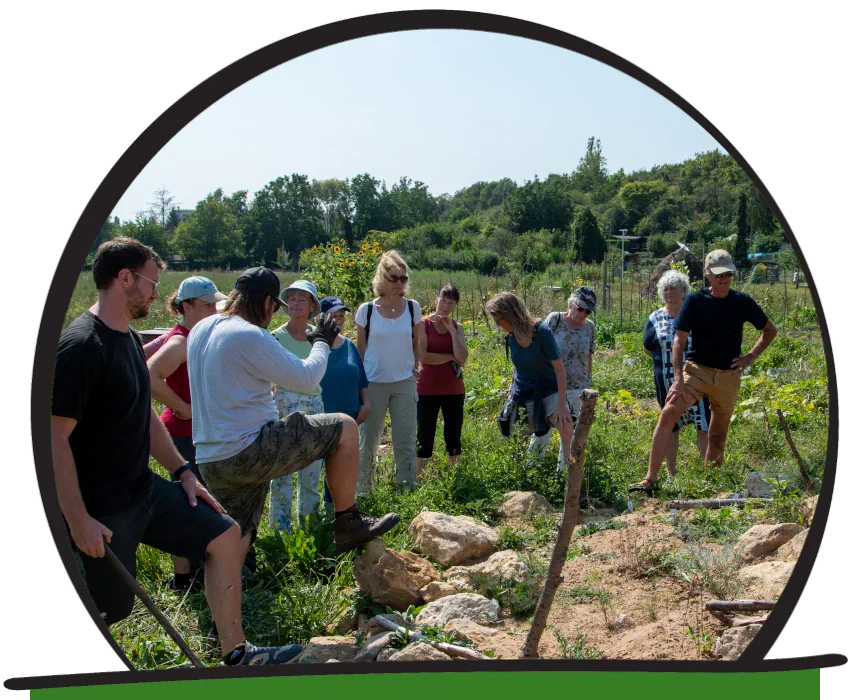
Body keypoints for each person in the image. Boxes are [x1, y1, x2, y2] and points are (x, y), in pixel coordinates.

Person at [52, 238, 303, 665]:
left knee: (223, 534)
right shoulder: (81, 347)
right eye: (151, 281)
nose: (156, 292)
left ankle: (238, 655)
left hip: (144, 490)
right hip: (101, 508)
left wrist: (183, 470)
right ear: (124, 278)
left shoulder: (128, 339)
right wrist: (78, 522)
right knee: (112, 608)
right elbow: (53, 438)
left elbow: (144, 416)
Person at [186, 266, 400, 571]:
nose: (273, 315)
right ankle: (348, 521)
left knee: (238, 534)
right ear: (266, 303)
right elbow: (307, 378)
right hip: (249, 449)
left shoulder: (201, 330)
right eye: (275, 308)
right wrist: (323, 341)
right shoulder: (250, 334)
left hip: (211, 458)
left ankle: (238, 582)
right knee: (345, 427)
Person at [630, 250, 778, 494]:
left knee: (718, 433)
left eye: (729, 273)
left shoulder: (742, 302)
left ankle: (711, 483)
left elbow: (769, 330)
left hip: (728, 376)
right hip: (697, 371)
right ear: (707, 273)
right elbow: (679, 339)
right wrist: (678, 379)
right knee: (668, 414)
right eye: (719, 274)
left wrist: (750, 356)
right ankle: (650, 479)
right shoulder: (696, 301)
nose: (725, 278)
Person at [147, 276, 226, 591]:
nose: (213, 309)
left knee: (196, 501)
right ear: (187, 306)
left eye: (214, 303)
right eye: (207, 304)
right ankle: (183, 578)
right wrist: (184, 406)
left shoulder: (196, 335)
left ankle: (195, 571)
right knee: (188, 504)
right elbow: (150, 375)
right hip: (182, 433)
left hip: (196, 432)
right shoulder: (180, 341)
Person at [355, 251, 423, 494]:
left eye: (403, 278)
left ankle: (406, 488)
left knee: (405, 439)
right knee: (368, 441)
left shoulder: (413, 308)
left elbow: (417, 342)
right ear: (381, 278)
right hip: (373, 383)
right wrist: (359, 383)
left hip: (404, 382)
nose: (399, 283)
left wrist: (416, 367)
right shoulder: (367, 310)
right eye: (393, 278)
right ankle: (364, 492)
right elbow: (360, 348)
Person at [485, 292, 575, 472]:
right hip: (523, 391)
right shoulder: (511, 338)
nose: (497, 325)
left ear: (510, 315)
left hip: (547, 389)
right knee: (510, 431)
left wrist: (562, 405)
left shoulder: (542, 332)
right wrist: (511, 392)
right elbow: (518, 367)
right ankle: (525, 474)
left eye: (498, 319)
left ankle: (565, 478)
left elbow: (559, 369)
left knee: (566, 429)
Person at [268, 281, 327, 532]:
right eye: (291, 298)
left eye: (302, 299)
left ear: (312, 305)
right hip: (284, 404)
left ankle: (310, 530)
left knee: (311, 473)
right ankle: (281, 533)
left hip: (313, 405)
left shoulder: (319, 336)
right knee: (280, 474)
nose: (295, 303)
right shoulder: (275, 338)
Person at [642, 270, 711, 477]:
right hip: (666, 382)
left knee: (703, 423)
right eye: (666, 289)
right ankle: (672, 473)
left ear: (684, 292)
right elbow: (648, 347)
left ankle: (706, 471)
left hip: (695, 379)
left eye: (674, 288)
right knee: (670, 426)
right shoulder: (655, 318)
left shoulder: (695, 315)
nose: (669, 292)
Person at [529, 286, 597, 475]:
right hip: (551, 385)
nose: (583, 313)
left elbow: (589, 355)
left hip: (578, 387)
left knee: (571, 433)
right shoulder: (555, 319)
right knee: (543, 429)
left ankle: (564, 476)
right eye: (580, 308)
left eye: (588, 310)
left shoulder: (590, 327)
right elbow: (538, 350)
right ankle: (532, 472)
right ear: (571, 303)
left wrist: (588, 380)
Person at [318, 296, 371, 510]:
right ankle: (315, 514)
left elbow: (362, 380)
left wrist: (366, 404)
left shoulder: (349, 346)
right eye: (333, 315)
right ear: (321, 318)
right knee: (314, 470)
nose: (338, 320)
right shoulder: (313, 345)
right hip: (320, 417)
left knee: (342, 468)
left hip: (350, 419)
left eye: (341, 316)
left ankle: (340, 510)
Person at [416, 283, 468, 480]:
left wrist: (452, 333)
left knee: (453, 433)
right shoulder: (423, 324)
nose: (445, 306)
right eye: (443, 300)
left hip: (454, 389)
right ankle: (419, 479)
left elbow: (462, 357)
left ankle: (454, 477)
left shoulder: (457, 327)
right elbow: (423, 356)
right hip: (427, 388)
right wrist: (449, 357)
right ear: (436, 300)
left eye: (451, 303)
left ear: (455, 306)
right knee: (425, 433)